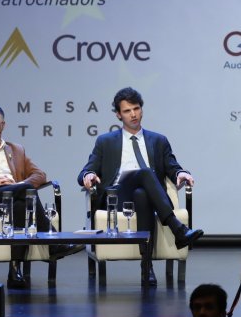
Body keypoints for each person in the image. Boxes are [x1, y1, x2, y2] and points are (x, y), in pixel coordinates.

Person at [77, 87, 203, 286]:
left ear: (142, 109)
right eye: (127, 111)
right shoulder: (105, 142)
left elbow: (173, 167)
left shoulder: (159, 140)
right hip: (117, 197)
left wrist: (181, 173)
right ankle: (177, 228)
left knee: (142, 194)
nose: (133, 114)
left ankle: (147, 267)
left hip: (147, 198)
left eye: (136, 109)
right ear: (119, 115)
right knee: (145, 173)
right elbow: (85, 171)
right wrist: (89, 175)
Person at [0, 104, 81, 288]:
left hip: (11, 198)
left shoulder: (16, 150)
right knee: (24, 192)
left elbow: (40, 175)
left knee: (20, 206)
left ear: (3, 125)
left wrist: (18, 186)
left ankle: (14, 271)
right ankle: (53, 243)